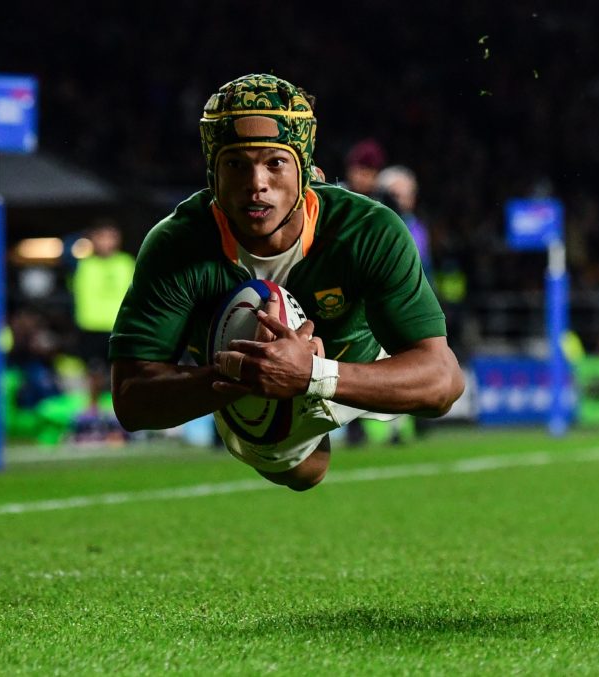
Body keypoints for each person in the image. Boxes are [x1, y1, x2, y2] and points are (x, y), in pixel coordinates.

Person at [109, 74, 464, 491]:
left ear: (305, 170)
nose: (256, 183)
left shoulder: (368, 229)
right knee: (305, 472)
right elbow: (131, 399)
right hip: (241, 390)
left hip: (359, 362)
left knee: (416, 392)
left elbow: (444, 381)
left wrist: (313, 374)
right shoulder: (177, 243)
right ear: (212, 173)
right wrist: (247, 372)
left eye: (275, 163)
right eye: (236, 164)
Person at [72, 220, 136, 369]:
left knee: (120, 371)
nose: (106, 242)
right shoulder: (83, 264)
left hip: (120, 328)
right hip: (90, 328)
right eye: (101, 237)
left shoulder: (127, 263)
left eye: (110, 237)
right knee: (93, 370)